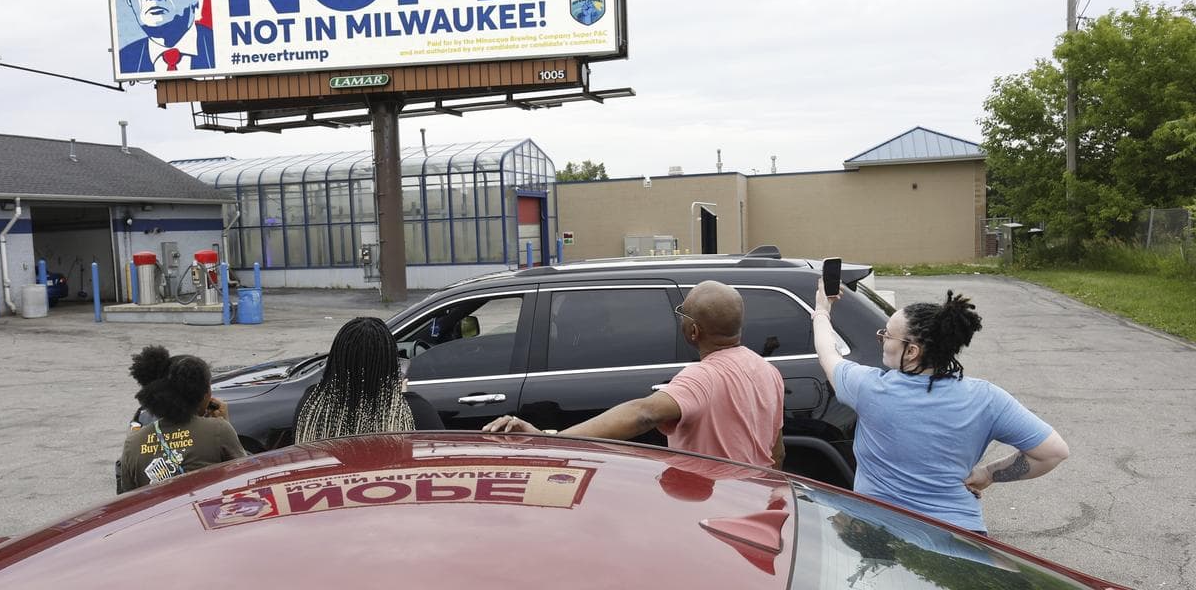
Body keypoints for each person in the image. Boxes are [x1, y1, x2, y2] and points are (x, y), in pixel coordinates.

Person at [811, 280, 1069, 534]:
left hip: (883, 534)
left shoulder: (867, 387)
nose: (881, 339)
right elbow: (1053, 452)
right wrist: (989, 474)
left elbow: (827, 353)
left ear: (911, 351)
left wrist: (822, 310)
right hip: (960, 536)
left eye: (886, 335)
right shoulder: (987, 398)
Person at [484, 280, 786, 469]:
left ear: (694, 331)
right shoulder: (768, 371)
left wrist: (552, 439)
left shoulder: (703, 376)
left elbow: (643, 414)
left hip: (715, 509)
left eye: (683, 313)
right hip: (752, 499)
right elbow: (777, 452)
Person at [294, 317, 444, 443]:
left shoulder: (311, 404)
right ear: (390, 363)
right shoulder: (416, 411)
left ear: (336, 359)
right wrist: (402, 399)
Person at [119, 346, 245, 493]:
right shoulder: (218, 430)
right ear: (204, 395)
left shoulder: (133, 443)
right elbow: (243, 474)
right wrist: (224, 422)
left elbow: (126, 495)